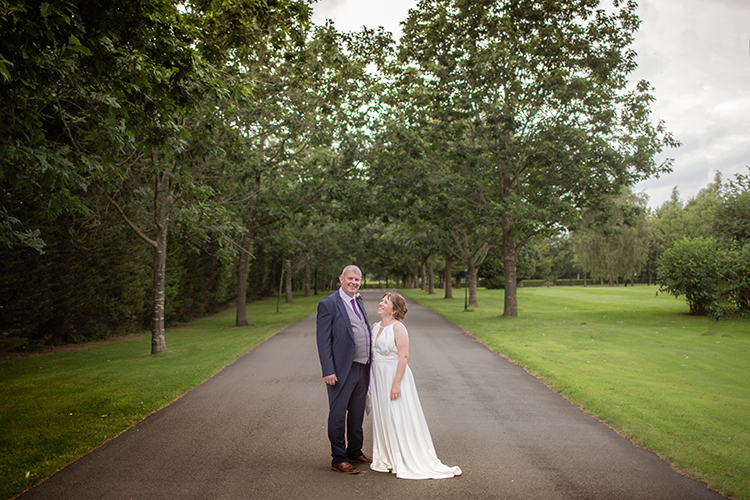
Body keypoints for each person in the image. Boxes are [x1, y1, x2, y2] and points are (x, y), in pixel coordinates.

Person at [369, 292, 462, 479]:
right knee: (384, 415)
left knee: (398, 416)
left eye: (385, 302)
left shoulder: (398, 328)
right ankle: (387, 456)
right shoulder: (374, 326)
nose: (380, 303)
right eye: (382, 300)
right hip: (377, 375)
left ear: (394, 310)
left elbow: (403, 357)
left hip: (394, 375)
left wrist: (396, 384)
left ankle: (403, 455)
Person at [316, 265, 373, 474]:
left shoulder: (358, 301)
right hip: (341, 370)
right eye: (350, 278)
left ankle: (354, 451)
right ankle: (338, 458)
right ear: (341, 278)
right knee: (338, 414)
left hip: (362, 368)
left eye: (357, 280)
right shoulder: (328, 304)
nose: (354, 282)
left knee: (357, 413)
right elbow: (323, 341)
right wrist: (328, 370)